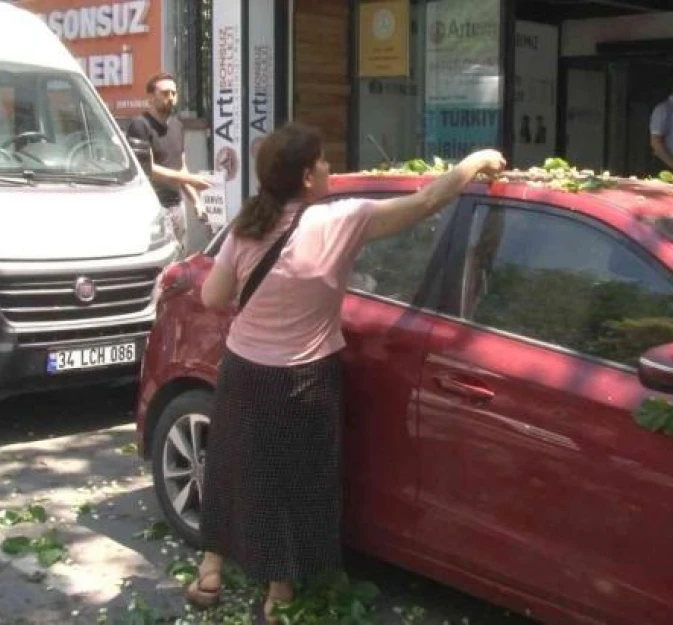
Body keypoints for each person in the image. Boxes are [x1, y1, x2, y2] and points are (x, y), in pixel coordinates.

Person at [189, 122, 506, 622]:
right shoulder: (341, 220)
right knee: (289, 484)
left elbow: (212, 298)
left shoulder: (246, 227)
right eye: (322, 162)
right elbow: (425, 204)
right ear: (306, 177)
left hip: (244, 372)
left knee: (231, 467)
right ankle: (279, 593)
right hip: (302, 380)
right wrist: (473, 163)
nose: (330, 168)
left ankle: (210, 569)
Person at [126, 72, 211, 253]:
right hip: (153, 207)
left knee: (178, 264)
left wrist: (196, 201)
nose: (170, 98)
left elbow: (182, 168)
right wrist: (192, 179)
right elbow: (148, 170)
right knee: (159, 263)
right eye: (164, 93)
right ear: (151, 96)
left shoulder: (177, 125)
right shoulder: (139, 126)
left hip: (177, 208)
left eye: (173, 93)